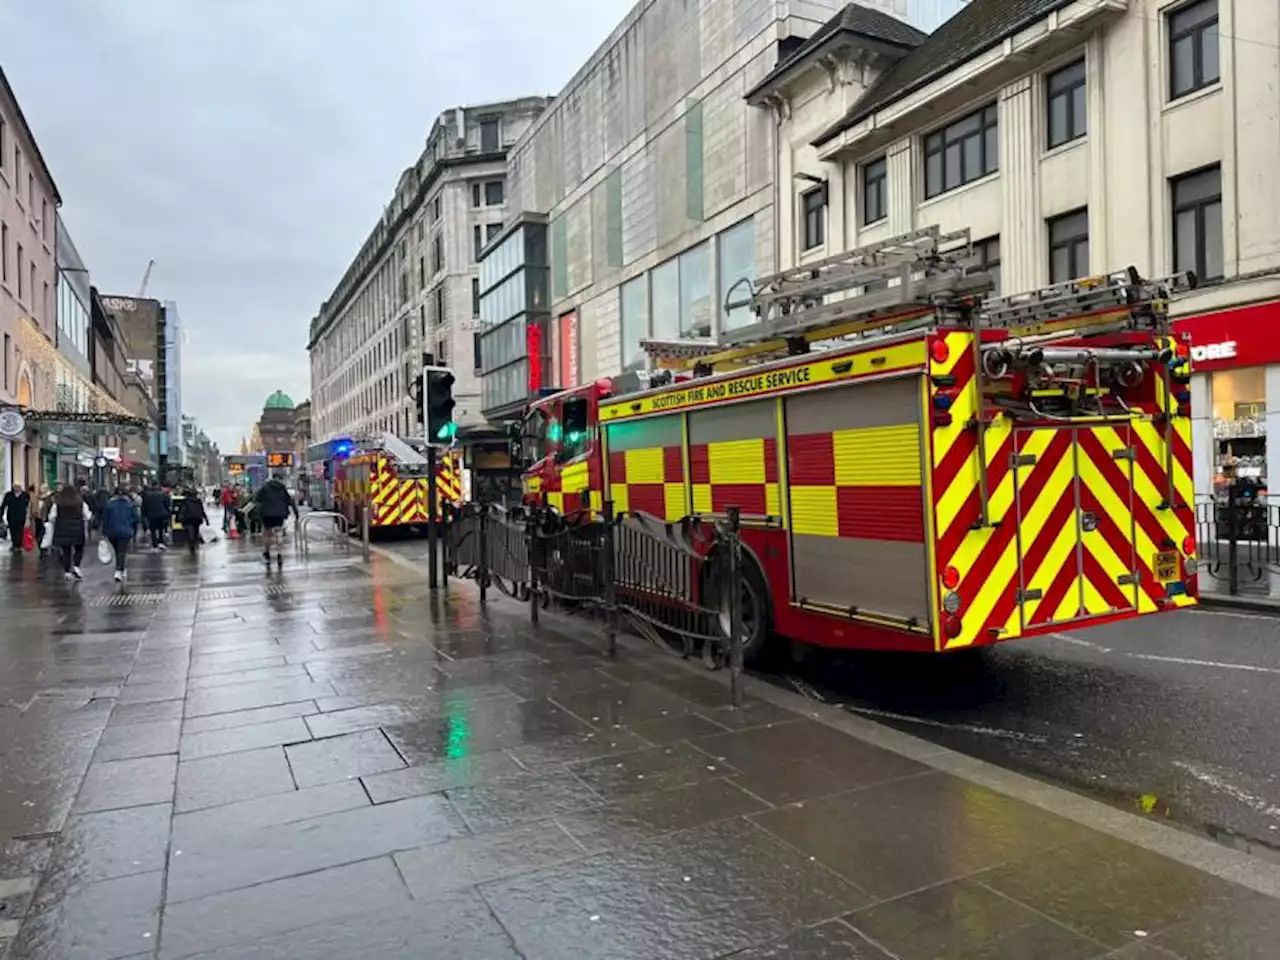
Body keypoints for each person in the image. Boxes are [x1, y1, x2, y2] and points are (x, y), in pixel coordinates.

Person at [255, 472, 298, 569]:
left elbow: (257, 499)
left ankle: (267, 553)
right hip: (280, 515)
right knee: (278, 533)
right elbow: (290, 501)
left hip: (267, 515)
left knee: (267, 534)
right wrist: (296, 513)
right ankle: (279, 554)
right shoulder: (282, 489)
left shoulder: (265, 488)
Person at [48, 485, 91, 580]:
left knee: (66, 550)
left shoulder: (58, 503)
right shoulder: (80, 503)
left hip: (62, 529)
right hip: (77, 529)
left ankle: (67, 571)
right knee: (79, 548)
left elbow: (51, 517)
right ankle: (76, 565)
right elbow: (87, 515)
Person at [101, 486, 139, 582]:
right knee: (122, 551)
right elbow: (136, 518)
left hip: (112, 531)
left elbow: (105, 519)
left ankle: (121, 568)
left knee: (117, 550)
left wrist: (104, 532)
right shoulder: (130, 504)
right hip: (125, 531)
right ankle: (119, 570)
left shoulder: (109, 504)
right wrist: (133, 529)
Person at [178, 487, 209, 556]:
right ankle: (194, 543)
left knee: (190, 531)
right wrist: (206, 519)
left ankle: (191, 544)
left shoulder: (185, 501)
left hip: (189, 518)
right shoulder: (198, 501)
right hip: (197, 518)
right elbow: (202, 510)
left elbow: (183, 510)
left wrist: (180, 518)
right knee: (196, 531)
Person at [141, 483, 171, 550]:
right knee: (160, 528)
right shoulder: (163, 495)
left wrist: (145, 513)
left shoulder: (147, 495)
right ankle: (160, 541)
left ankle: (154, 542)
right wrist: (167, 512)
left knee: (153, 529)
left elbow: (144, 505)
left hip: (151, 514)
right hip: (161, 514)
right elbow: (167, 504)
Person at [1, 483, 30, 552]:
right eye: (15, 487)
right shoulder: (8, 495)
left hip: (22, 516)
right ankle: (14, 544)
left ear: (20, 487)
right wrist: (1, 515)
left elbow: (28, 507)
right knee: (12, 530)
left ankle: (19, 545)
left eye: (18, 487)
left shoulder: (25, 495)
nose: (16, 488)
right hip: (11, 516)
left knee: (20, 530)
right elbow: (3, 505)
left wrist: (27, 518)